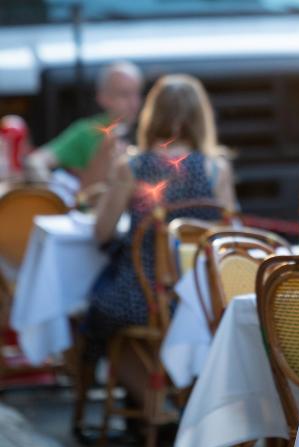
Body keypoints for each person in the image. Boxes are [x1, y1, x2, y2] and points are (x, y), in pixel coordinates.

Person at [83, 74, 235, 421]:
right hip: (199, 296)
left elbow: (101, 232)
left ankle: (155, 410)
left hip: (147, 294)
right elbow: (230, 235)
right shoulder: (216, 169)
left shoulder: (132, 166)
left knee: (97, 318)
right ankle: (183, 403)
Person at [25, 61, 143, 192]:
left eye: (137, 93)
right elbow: (35, 161)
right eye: (124, 94)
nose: (134, 103)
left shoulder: (147, 131)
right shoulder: (87, 132)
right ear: (103, 97)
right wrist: (55, 195)